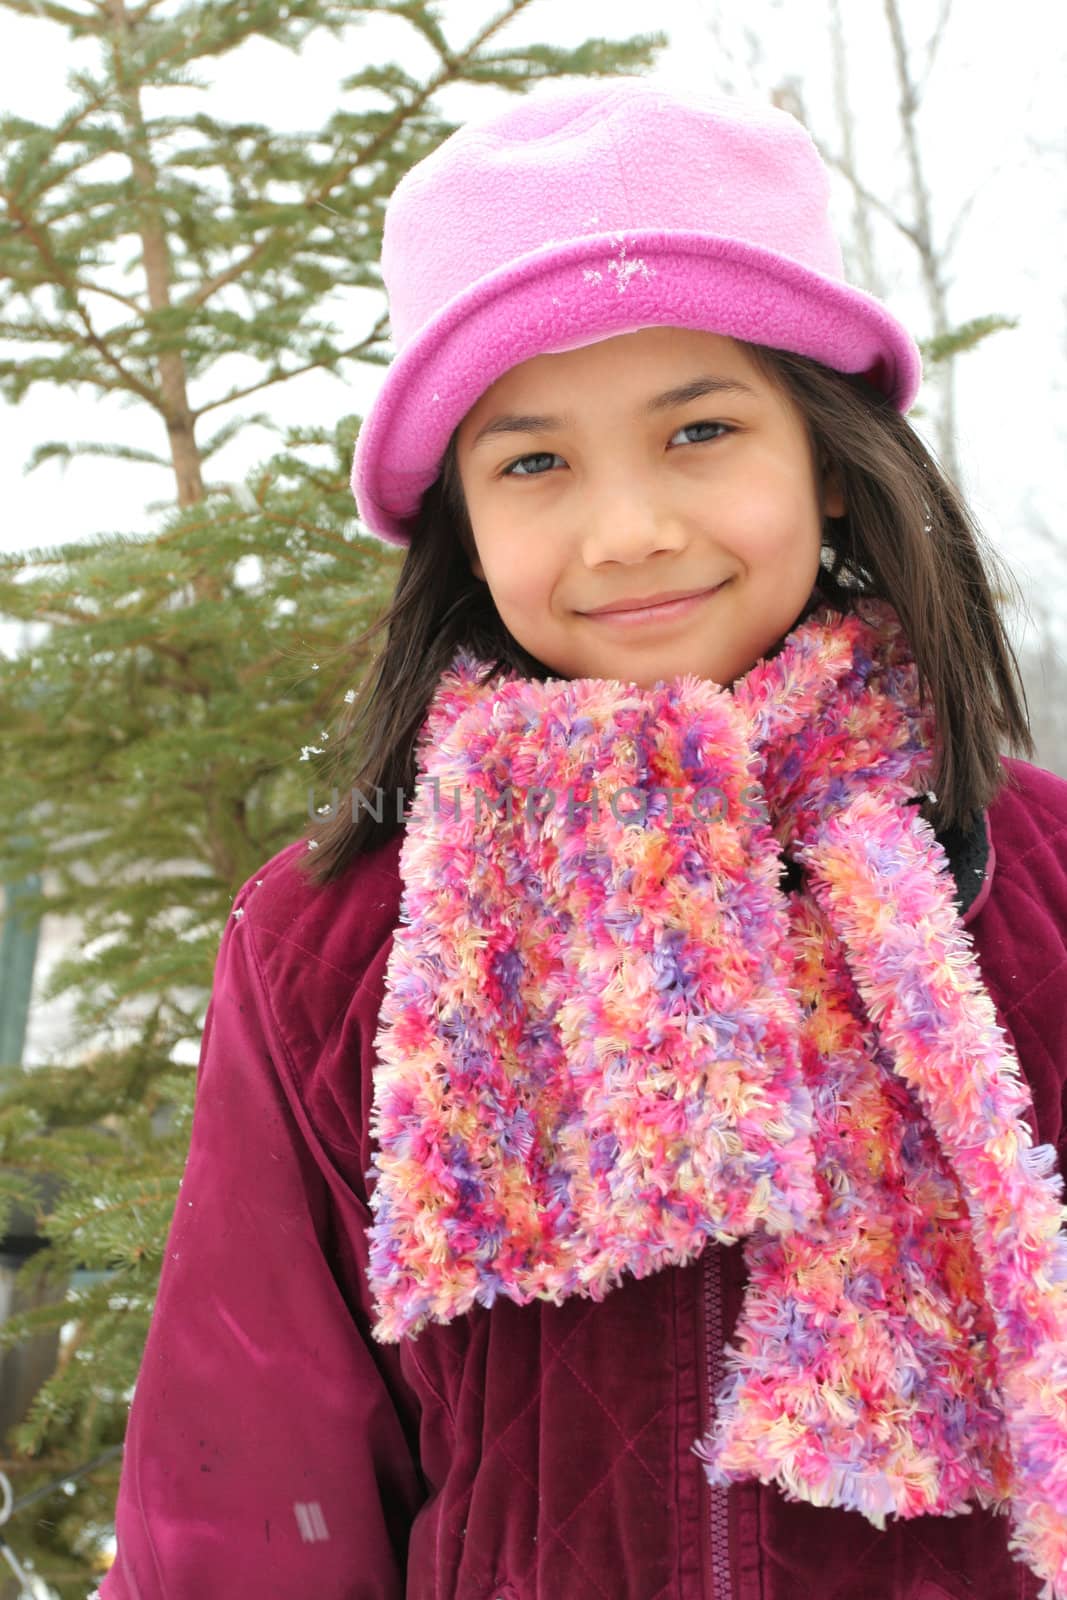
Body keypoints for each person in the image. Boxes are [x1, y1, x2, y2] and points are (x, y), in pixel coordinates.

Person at [98, 77, 1067, 1600]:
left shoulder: (1039, 885)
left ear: (826, 455)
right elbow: (254, 1473)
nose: (626, 529)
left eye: (698, 428)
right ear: (462, 523)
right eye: (535, 461)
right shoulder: (336, 939)